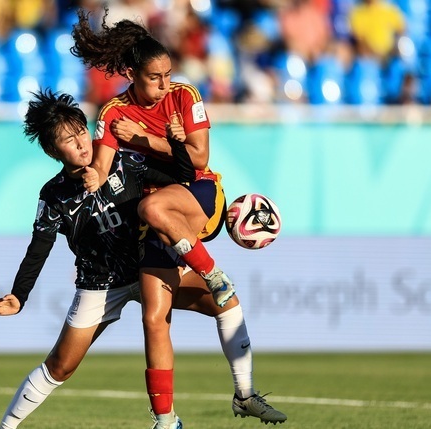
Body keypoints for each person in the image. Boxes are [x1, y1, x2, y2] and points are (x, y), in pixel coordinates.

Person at [0, 88, 270, 428]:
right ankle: (6, 427)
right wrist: (19, 295)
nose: (80, 143)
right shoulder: (54, 195)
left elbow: (181, 179)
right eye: (68, 140)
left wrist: (177, 144)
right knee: (60, 366)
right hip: (100, 283)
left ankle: (244, 394)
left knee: (226, 302)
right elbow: (39, 247)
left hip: (149, 268)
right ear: (52, 150)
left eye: (81, 132)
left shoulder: (124, 162)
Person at [71, 7, 287, 427]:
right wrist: (85, 175)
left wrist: (150, 139)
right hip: (160, 222)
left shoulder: (185, 97)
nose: (165, 84)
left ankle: (213, 273)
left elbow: (201, 156)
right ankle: (181, 415)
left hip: (199, 196)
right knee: (154, 315)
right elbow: (100, 167)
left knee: (152, 206)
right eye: (156, 77)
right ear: (132, 73)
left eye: (169, 73)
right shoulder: (114, 113)